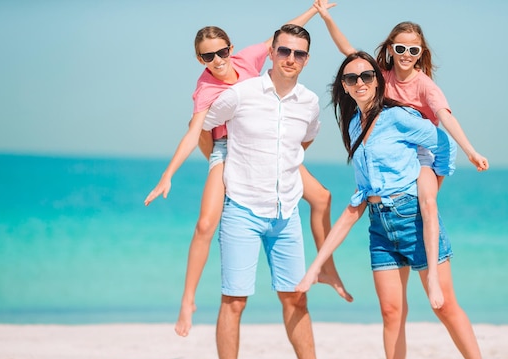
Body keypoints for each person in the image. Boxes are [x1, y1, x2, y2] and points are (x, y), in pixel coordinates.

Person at [299, 51, 496, 359]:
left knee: (446, 307)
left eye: (366, 76)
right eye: (350, 78)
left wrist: (430, 182)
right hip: (379, 226)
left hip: (415, 218)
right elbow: (357, 201)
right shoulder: (354, 127)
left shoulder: (399, 117)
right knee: (391, 313)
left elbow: (442, 142)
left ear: (377, 78)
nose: (359, 82)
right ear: (343, 87)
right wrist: (316, 266)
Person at [144, 1, 352, 338]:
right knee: (206, 223)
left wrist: (314, 10)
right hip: (226, 149)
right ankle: (188, 300)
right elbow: (192, 131)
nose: (217, 61)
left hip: (267, 146)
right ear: (200, 59)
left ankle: (327, 269)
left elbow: (283, 36)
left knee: (323, 197)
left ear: (231, 49)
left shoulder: (248, 60)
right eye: (208, 57)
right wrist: (167, 175)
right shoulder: (206, 89)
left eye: (221, 52)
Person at [305, 1, 489, 309]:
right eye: (400, 48)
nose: (406, 55)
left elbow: (445, 118)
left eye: (413, 50)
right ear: (390, 49)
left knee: (427, 202)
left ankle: (431, 276)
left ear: (421, 54)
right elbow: (348, 51)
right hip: (394, 150)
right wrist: (325, 17)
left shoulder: (425, 85)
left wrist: (471, 151)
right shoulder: (381, 75)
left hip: (424, 153)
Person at [200, 23, 330, 359]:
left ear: (306, 59)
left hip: (286, 212)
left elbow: (305, 139)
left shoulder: (308, 102)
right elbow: (206, 127)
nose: (291, 58)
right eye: (284, 51)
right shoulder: (240, 94)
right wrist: (219, 166)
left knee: (295, 296)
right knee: (234, 300)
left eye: (299, 53)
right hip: (241, 208)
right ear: (271, 52)